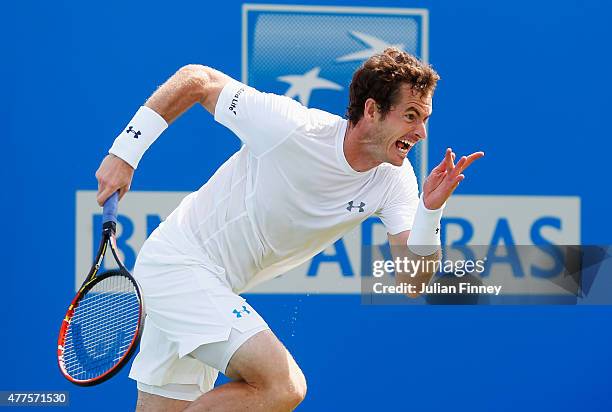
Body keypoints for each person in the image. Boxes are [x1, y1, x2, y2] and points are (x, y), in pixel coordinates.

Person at [95, 47, 483, 412]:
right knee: (283, 386)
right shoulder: (293, 127)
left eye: (425, 119)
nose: (422, 133)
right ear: (372, 110)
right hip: (178, 266)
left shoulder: (395, 181)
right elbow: (197, 79)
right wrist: (124, 153)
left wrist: (430, 213)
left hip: (206, 285)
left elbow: (412, 282)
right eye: (412, 115)